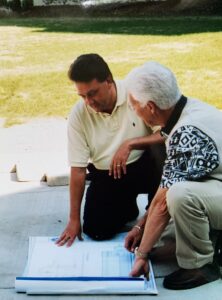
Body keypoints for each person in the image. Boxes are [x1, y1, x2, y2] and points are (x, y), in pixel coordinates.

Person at [124, 61, 222, 290]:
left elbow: (162, 203)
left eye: (133, 104)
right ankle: (214, 239)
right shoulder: (189, 109)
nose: (132, 110)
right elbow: (163, 191)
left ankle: (201, 265)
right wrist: (141, 228)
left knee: (180, 196)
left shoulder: (187, 133)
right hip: (216, 183)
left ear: (150, 107)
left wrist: (141, 254)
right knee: (160, 238)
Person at [56, 54, 166, 245]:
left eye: (92, 93)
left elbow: (166, 133)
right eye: (82, 96)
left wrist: (131, 144)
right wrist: (74, 220)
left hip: (145, 165)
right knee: (96, 230)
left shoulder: (136, 95)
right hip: (108, 173)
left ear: (109, 80)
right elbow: (78, 169)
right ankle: (127, 208)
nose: (88, 101)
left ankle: (154, 212)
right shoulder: (79, 114)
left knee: (160, 149)